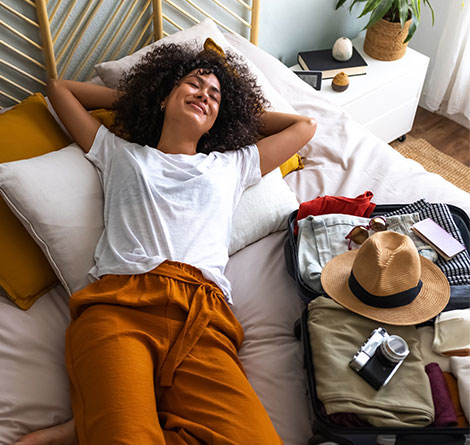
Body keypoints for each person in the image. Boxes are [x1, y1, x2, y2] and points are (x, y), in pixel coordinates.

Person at [16, 41, 316, 445]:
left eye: (214, 96)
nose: (204, 96)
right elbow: (58, 89)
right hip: (121, 305)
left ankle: (99, 419)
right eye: (193, 85)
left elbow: (303, 127)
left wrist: (230, 113)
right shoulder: (118, 152)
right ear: (164, 98)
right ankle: (112, 414)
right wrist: (144, 96)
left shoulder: (231, 166)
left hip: (203, 314)